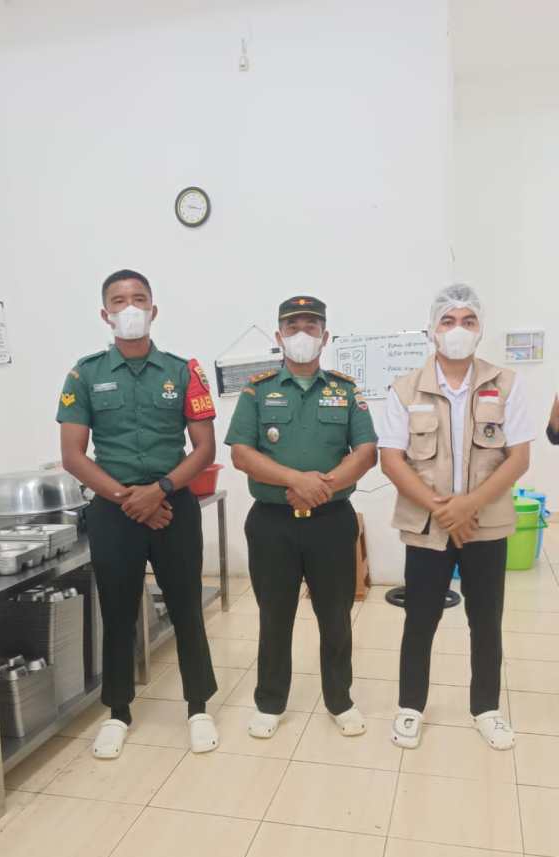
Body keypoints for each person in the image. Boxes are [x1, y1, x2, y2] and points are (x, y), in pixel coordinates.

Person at [57, 269, 219, 759]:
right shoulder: (84, 374)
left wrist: (160, 490)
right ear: (105, 313)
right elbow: (73, 455)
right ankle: (118, 713)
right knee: (118, 610)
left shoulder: (183, 371)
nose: (129, 307)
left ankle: (198, 707)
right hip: (114, 509)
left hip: (174, 504)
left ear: (153, 309)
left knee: (187, 606)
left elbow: (204, 448)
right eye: (119, 300)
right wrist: (130, 499)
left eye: (139, 299)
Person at [379, 283, 534, 751]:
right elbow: (392, 460)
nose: (457, 330)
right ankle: (410, 707)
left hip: (486, 525)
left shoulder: (506, 384)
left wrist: (470, 505)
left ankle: (486, 709)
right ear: (432, 329)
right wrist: (445, 510)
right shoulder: (406, 388)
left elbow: (518, 458)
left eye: (468, 321)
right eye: (448, 321)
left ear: (480, 329)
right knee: (420, 618)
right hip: (428, 526)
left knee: (486, 619)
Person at [225, 295, 378, 738]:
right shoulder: (257, 391)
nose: (302, 335)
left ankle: (340, 699)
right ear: (279, 336)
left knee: (336, 616)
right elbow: (241, 453)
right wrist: (295, 479)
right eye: (292, 327)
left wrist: (320, 487)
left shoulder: (345, 391)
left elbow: (367, 452)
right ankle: (270, 702)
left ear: (325, 336)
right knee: (274, 616)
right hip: (272, 523)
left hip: (332, 522)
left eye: (311, 327)